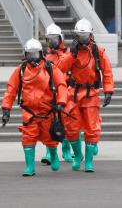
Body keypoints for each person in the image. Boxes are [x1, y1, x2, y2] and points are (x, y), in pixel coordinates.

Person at [1, 39, 68, 176]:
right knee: (27, 138)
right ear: (26, 55)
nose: (33, 58)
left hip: (47, 110)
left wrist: (61, 102)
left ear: (41, 54)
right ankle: (30, 167)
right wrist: (6, 109)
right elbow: (11, 89)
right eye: (30, 55)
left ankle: (54, 154)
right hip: (29, 111)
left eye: (35, 54)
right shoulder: (21, 70)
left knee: (49, 137)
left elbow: (61, 85)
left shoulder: (50, 67)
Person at [57, 18, 114, 172]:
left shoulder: (97, 52)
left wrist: (108, 91)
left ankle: (89, 161)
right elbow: (59, 68)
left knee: (92, 128)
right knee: (71, 127)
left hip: (91, 95)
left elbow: (107, 72)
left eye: (85, 36)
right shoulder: (71, 53)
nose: (82, 39)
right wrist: (72, 54)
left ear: (90, 35)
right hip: (73, 94)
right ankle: (77, 155)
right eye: (80, 36)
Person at [40, 23, 76, 165]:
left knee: (66, 123)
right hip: (49, 93)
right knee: (49, 123)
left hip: (65, 92)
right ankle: (50, 152)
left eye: (55, 39)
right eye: (49, 39)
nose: (52, 42)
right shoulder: (44, 57)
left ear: (60, 38)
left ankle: (67, 151)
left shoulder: (68, 54)